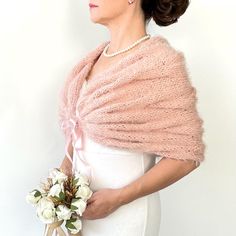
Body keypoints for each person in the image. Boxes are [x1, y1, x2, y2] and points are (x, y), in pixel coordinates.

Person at [59, 0, 202, 235]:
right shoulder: (91, 61)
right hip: (81, 215)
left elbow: (186, 156)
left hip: (126, 217)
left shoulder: (158, 65)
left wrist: (119, 198)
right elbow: (80, 128)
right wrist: (64, 171)